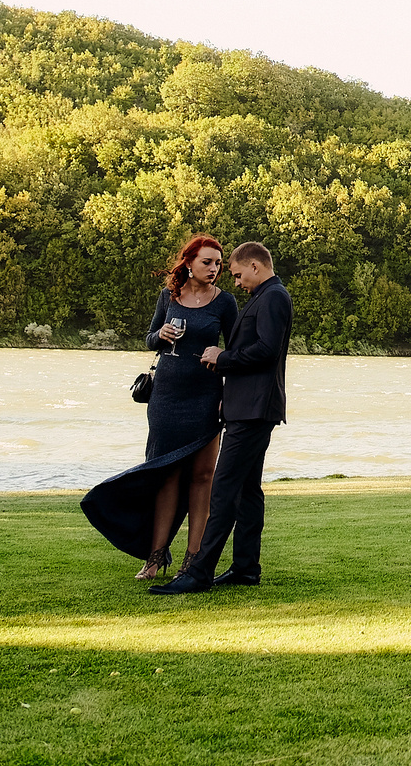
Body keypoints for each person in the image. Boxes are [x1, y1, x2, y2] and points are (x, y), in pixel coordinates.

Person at [79, 234, 237, 578]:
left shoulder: (225, 303)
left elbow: (234, 351)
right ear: (190, 262)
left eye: (218, 263)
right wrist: (160, 334)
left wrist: (224, 371)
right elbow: (150, 339)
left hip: (206, 397)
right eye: (207, 262)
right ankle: (154, 558)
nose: (214, 268)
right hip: (166, 397)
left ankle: (193, 560)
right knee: (164, 475)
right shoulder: (169, 296)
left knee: (202, 477)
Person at [150, 241, 292, 595]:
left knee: (223, 489)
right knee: (246, 491)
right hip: (248, 407)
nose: (237, 281)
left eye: (239, 274)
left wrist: (222, 357)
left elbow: (266, 350)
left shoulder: (273, 296)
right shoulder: (265, 295)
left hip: (254, 408)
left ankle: (198, 572)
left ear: (256, 267)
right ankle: (246, 567)